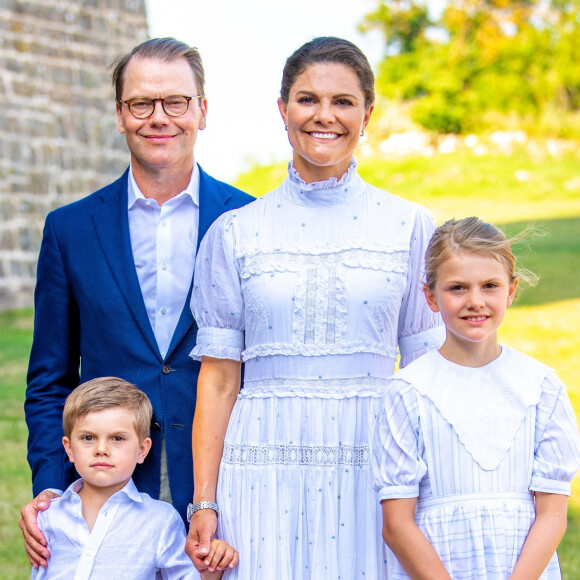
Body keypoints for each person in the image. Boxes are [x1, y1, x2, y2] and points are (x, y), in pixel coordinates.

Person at [185, 37, 444, 579]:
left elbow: (430, 377)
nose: (324, 116)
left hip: (376, 463)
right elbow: (218, 380)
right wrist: (204, 502)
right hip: (260, 463)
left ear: (368, 114)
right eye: (307, 99)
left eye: (344, 102)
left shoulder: (410, 227)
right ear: (283, 110)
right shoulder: (236, 232)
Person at [21, 37, 254, 570]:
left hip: (225, 477)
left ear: (202, 111)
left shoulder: (249, 220)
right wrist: (50, 486)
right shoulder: (70, 229)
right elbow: (49, 377)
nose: (159, 118)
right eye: (140, 104)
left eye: (175, 101)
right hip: (107, 482)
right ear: (120, 115)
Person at [372, 217, 580, 579]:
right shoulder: (408, 392)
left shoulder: (540, 387)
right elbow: (397, 524)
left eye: (489, 286)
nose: (475, 301)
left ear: (511, 291)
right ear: (431, 297)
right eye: (457, 288)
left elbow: (553, 514)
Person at [32, 377, 238, 579]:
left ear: (142, 450)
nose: (101, 449)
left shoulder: (160, 520)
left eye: (117, 438)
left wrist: (211, 567)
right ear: (69, 448)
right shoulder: (48, 516)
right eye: (88, 438)